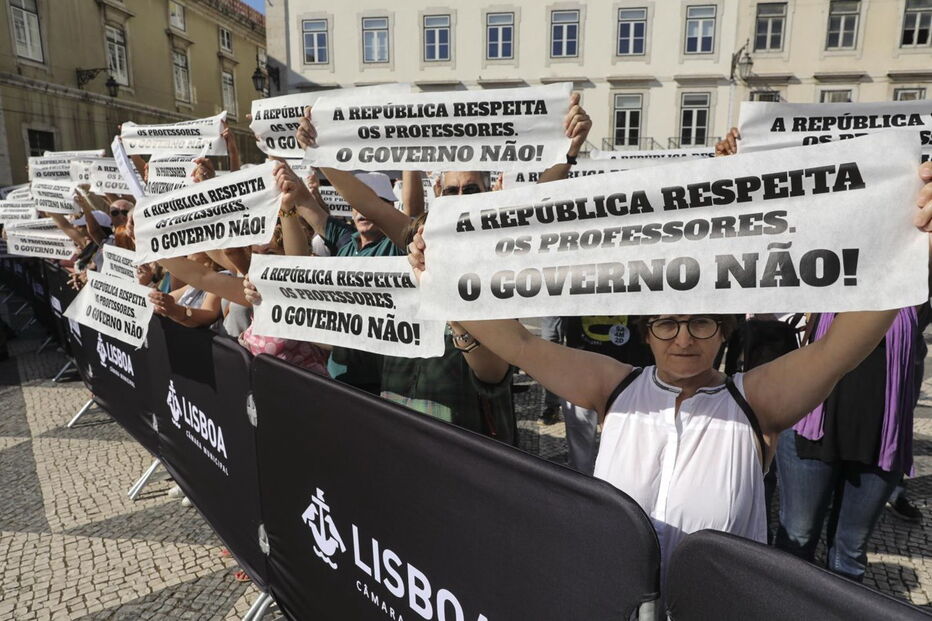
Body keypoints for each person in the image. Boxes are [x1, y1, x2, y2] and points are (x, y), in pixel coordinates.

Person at [405, 161, 932, 578]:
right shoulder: (613, 386)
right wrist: (440, 276)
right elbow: (518, 343)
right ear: (645, 329)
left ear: (724, 328)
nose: (683, 338)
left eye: (701, 322)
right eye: (666, 324)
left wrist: (913, 244)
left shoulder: (755, 402)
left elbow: (835, 351)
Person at [775, 308, 921, 581]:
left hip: (880, 438)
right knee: (797, 539)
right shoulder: (828, 274)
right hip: (811, 427)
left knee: (850, 554)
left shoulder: (910, 282)